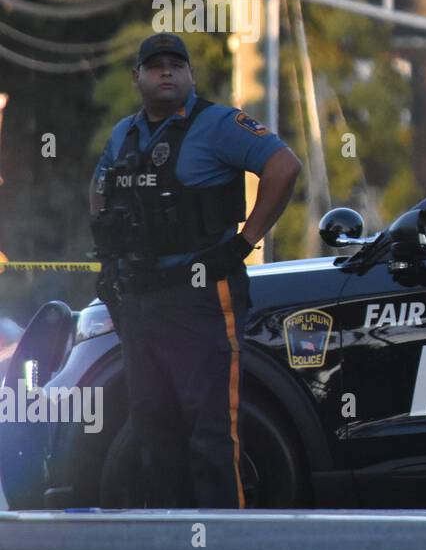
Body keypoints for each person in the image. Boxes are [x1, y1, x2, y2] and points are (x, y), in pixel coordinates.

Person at [89, 33, 301, 508]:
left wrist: (244, 243)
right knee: (152, 425)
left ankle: (222, 547)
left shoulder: (219, 124)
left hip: (201, 294)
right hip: (141, 297)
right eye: (155, 65)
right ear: (137, 77)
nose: (166, 72)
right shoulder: (124, 134)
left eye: (176, 65)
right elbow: (100, 190)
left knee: (210, 426)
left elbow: (284, 166)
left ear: (191, 75)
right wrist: (109, 260)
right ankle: (170, 544)